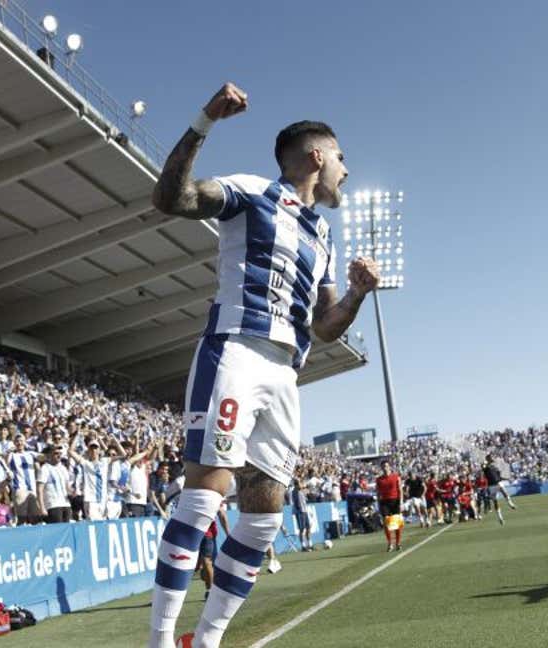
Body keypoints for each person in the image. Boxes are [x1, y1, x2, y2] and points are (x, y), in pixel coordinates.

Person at [148, 82, 378, 648]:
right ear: (317, 157)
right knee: (205, 494)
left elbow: (324, 327)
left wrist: (357, 295)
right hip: (238, 348)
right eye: (341, 159)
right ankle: (157, 640)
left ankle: (206, 640)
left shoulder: (322, 235)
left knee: (265, 516)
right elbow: (171, 199)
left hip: (285, 374)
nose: (346, 172)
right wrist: (204, 120)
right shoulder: (253, 192)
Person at [196, 502, 231, 601]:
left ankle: (210, 591)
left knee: (206, 561)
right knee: (201, 570)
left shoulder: (212, 495)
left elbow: (222, 514)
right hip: (190, 534)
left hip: (207, 534)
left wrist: (228, 534)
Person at [36, 445, 71, 524]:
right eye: (56, 453)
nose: (59, 455)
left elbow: (67, 486)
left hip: (66, 504)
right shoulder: (44, 468)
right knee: (58, 531)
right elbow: (39, 489)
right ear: (49, 455)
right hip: (53, 505)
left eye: (60, 453)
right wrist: (42, 507)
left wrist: (73, 493)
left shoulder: (63, 468)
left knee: (66, 530)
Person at [375, 462, 403, 551]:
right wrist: (379, 504)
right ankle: (390, 543)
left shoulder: (396, 476)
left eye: (386, 466)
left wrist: (401, 502)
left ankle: (398, 543)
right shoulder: (379, 479)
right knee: (386, 523)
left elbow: (400, 490)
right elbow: (378, 493)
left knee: (396, 523)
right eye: (383, 466)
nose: (385, 468)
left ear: (389, 466)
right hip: (384, 502)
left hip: (395, 501)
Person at [482, 455, 515, 525]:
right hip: (491, 486)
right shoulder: (485, 466)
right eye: (491, 458)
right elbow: (483, 467)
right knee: (495, 502)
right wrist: (487, 462)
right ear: (488, 459)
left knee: (504, 491)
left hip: (498, 482)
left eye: (492, 458)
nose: (492, 459)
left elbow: (499, 476)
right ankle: (500, 518)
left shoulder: (494, 467)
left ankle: (510, 503)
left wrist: (507, 479)